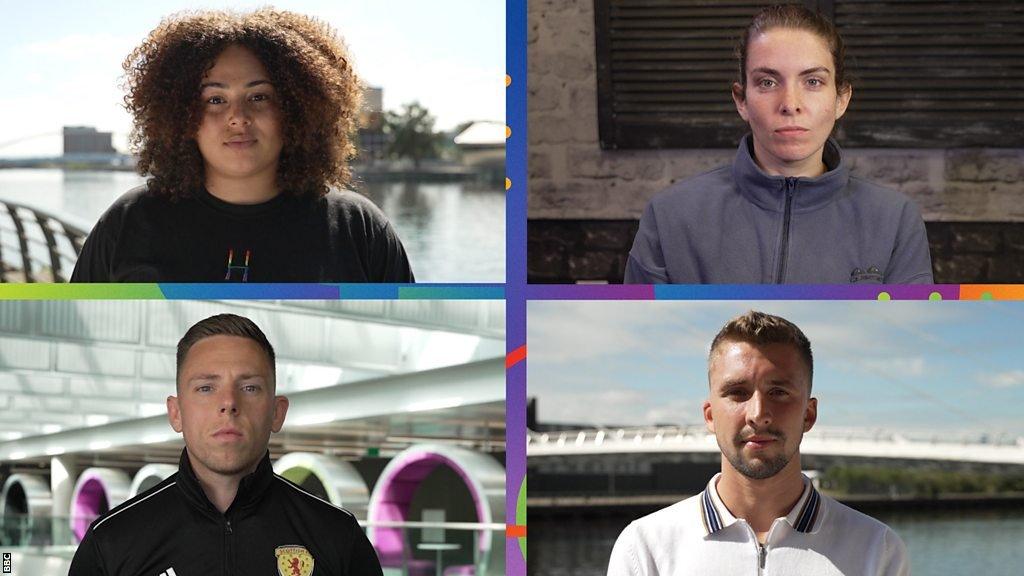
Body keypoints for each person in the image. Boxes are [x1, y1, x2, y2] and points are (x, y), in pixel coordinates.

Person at [71, 9, 414, 282]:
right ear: (181, 116)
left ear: (296, 110)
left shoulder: (358, 228)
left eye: (259, 96)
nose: (238, 117)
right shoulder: (130, 222)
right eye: (216, 99)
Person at [624, 5, 932, 284]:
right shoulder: (669, 216)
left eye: (813, 82)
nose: (790, 104)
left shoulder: (894, 219)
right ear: (741, 99)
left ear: (841, 99)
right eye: (768, 82)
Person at [68, 314, 383, 575]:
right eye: (206, 388)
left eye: (249, 387)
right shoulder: (111, 541)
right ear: (176, 413)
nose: (229, 403)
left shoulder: (339, 537)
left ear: (277, 412)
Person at [607, 311, 908, 576]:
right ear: (710, 416)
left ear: (809, 414)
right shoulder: (644, 547)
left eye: (778, 392)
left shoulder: (876, 549)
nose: (758, 414)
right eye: (738, 392)